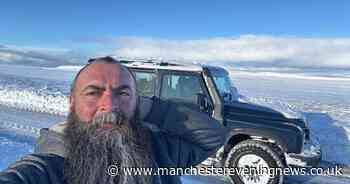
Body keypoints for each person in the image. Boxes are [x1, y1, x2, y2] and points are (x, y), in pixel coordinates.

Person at [0, 56, 227, 184]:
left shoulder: (158, 148)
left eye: (122, 93)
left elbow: (213, 136)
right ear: (72, 102)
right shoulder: (54, 163)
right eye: (93, 92)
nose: (109, 105)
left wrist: (148, 108)